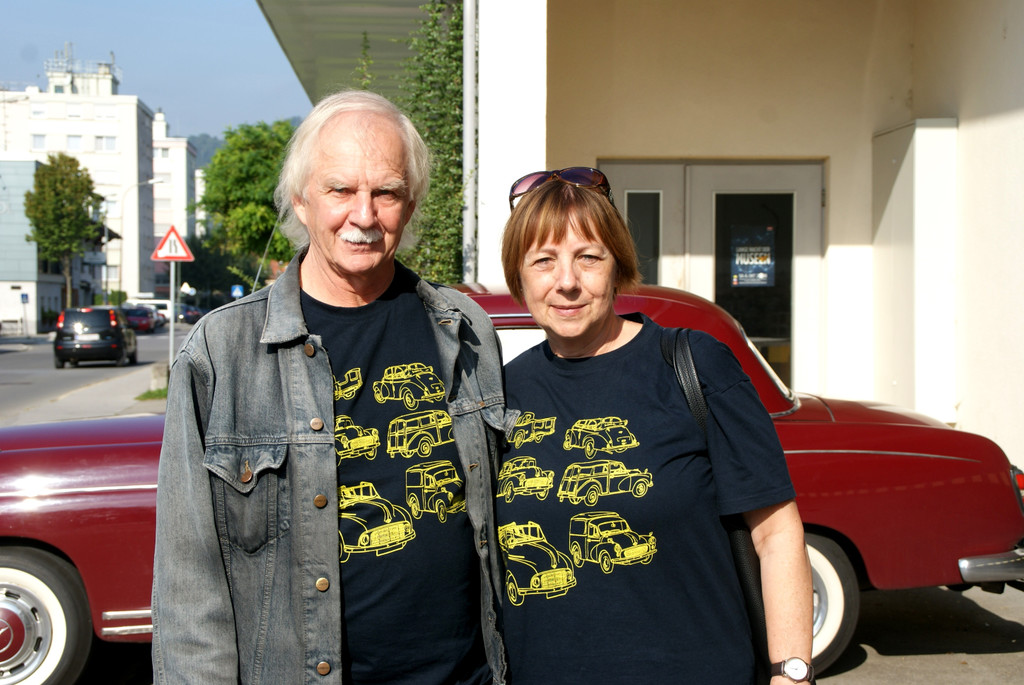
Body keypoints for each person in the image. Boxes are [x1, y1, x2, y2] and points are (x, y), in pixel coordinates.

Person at [151, 90, 511, 685]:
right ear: (301, 199)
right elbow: (189, 590)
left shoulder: (465, 331)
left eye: (386, 192)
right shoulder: (223, 352)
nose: (364, 216)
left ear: (412, 202)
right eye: (341, 190)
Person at [496, 168, 813, 684]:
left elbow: (776, 533)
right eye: (544, 261)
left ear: (617, 264)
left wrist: (791, 673)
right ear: (520, 275)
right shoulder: (503, 395)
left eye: (588, 257)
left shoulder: (695, 366)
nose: (567, 282)